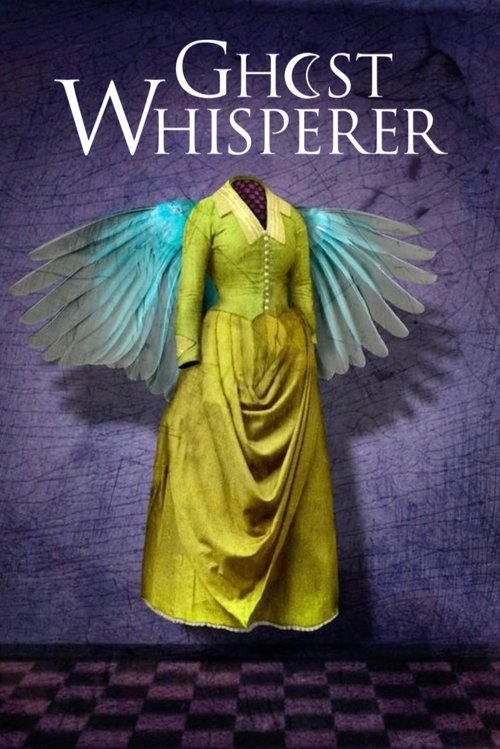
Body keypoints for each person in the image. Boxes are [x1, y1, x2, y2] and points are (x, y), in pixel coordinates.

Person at [141, 176, 339, 631]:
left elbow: (302, 288)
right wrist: (189, 357)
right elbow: (190, 292)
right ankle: (206, 588)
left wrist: (309, 345)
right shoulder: (207, 213)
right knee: (202, 460)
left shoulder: (291, 217)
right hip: (224, 344)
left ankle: (290, 597)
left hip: (288, 355)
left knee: (296, 473)